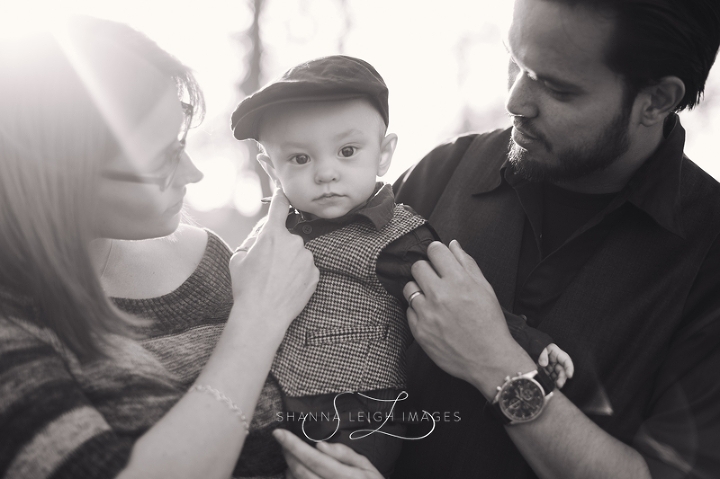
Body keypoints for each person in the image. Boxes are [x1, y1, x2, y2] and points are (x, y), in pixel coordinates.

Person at [274, 0, 720, 478]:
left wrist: (496, 364)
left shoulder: (708, 253)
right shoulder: (443, 173)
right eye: (515, 62)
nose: (515, 101)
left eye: (556, 87)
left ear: (656, 100)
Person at [0, 16, 318, 479]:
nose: (194, 173)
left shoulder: (209, 260)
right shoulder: (13, 321)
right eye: (163, 160)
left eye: (182, 142)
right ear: (61, 179)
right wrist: (258, 321)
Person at [230, 55, 573, 476]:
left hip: (362, 410)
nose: (325, 173)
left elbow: (464, 304)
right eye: (299, 159)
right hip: (275, 395)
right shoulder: (271, 234)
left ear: (384, 154)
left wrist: (534, 346)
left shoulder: (399, 237)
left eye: (347, 151)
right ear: (270, 169)